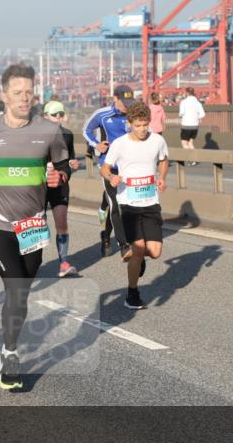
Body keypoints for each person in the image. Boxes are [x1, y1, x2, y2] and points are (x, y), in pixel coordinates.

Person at [0, 64, 69, 391]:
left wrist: (60, 176)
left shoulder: (49, 131)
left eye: (29, 92)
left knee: (21, 294)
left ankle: (6, 344)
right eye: (18, 92)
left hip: (33, 226)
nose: (25, 98)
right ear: (4, 95)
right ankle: (10, 355)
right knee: (15, 286)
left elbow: (62, 165)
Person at [99, 102, 169, 310]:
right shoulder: (120, 144)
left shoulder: (157, 140)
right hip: (129, 204)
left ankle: (137, 259)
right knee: (137, 251)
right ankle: (132, 294)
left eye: (145, 124)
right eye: (137, 125)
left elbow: (164, 160)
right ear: (129, 123)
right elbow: (104, 168)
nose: (142, 129)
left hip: (151, 202)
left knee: (155, 252)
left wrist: (162, 177)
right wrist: (111, 177)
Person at [82, 85, 133, 258]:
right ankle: (124, 245)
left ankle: (105, 233)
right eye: (124, 102)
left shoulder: (133, 113)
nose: (127, 106)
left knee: (123, 205)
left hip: (128, 167)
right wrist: (96, 144)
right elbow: (86, 130)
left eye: (129, 102)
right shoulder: (102, 114)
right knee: (116, 205)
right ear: (115, 99)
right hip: (108, 167)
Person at [42, 100, 80, 277]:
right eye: (54, 115)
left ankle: (63, 263)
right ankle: (29, 260)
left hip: (60, 184)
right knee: (36, 224)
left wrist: (71, 165)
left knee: (61, 222)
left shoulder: (67, 135)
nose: (58, 118)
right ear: (45, 116)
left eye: (61, 114)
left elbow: (69, 160)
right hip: (39, 186)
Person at [178, 87, 205, 163]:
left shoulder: (184, 102)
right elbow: (202, 114)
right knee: (190, 143)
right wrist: (197, 117)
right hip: (195, 126)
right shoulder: (198, 103)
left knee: (184, 143)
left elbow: (181, 113)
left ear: (186, 93)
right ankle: (195, 159)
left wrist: (181, 116)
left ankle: (190, 159)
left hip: (186, 125)